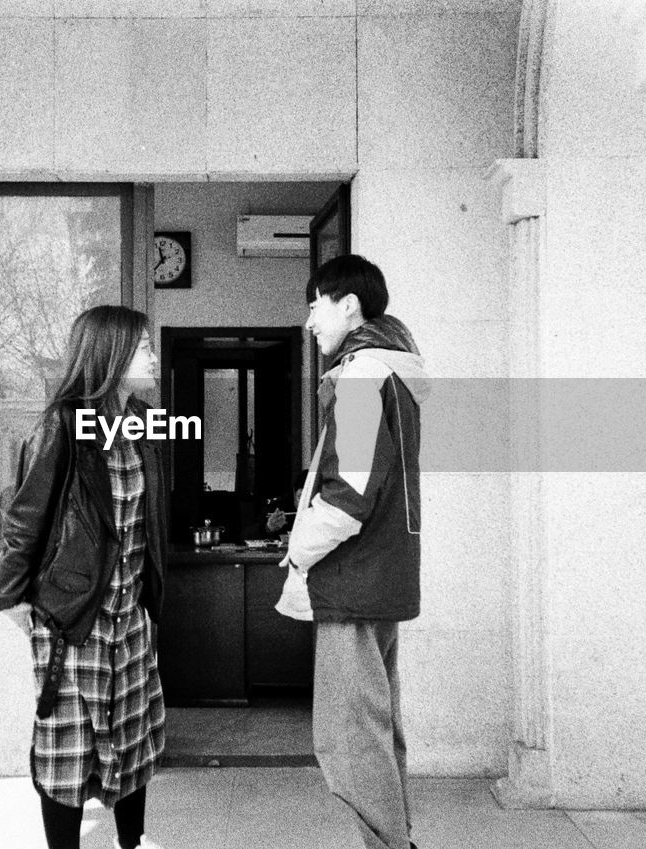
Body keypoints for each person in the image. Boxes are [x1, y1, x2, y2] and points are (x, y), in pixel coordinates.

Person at [0, 305, 168, 849]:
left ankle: (130, 844)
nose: (155, 357)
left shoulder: (141, 423)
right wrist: (9, 595)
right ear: (110, 356)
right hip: (73, 618)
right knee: (67, 750)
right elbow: (25, 517)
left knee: (132, 740)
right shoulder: (60, 427)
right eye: (144, 349)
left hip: (127, 617)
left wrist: (148, 600)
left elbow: (146, 520)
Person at [275, 254, 429, 849]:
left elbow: (350, 492)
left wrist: (301, 548)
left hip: (353, 582)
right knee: (375, 727)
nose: (311, 321)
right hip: (382, 578)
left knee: (348, 735)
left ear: (349, 306)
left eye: (316, 305)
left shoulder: (363, 376)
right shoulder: (392, 373)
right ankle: (398, 840)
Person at [241, 470, 308, 541]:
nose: (306, 502)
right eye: (300, 496)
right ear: (294, 493)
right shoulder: (278, 508)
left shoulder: (319, 510)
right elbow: (245, 536)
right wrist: (268, 528)